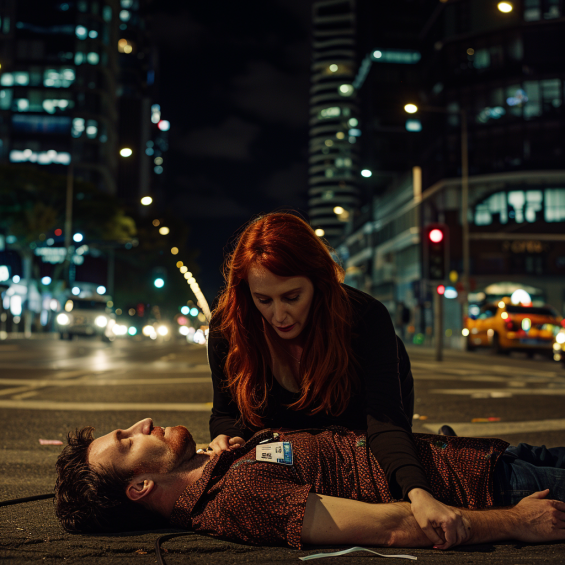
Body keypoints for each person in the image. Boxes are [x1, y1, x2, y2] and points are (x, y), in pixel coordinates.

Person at [207, 212, 449, 544]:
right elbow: (225, 415)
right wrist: (227, 439)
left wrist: (419, 493)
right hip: (285, 473)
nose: (279, 315)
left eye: (292, 297)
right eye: (263, 299)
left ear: (319, 282)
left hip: (360, 468)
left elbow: (386, 421)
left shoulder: (364, 317)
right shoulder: (229, 328)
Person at [55, 418, 565, 550]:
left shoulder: (218, 473)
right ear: (140, 488)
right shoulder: (239, 498)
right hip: (500, 488)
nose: (142, 425)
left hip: (487, 456)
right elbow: (393, 527)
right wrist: (516, 522)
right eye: (126, 440)